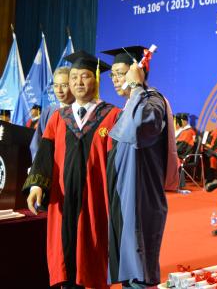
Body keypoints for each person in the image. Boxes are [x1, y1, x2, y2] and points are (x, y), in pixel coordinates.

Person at [23, 50, 119, 288]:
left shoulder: (112, 116)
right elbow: (44, 154)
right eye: (74, 77)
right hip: (63, 196)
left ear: (96, 80)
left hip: (96, 199)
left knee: (92, 251)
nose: (78, 82)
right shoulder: (59, 117)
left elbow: (120, 162)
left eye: (85, 76)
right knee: (64, 258)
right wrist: (36, 185)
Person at [102, 45, 180, 287]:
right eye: (113, 74)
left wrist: (137, 86)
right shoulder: (130, 103)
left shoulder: (151, 100)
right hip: (125, 192)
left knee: (139, 265)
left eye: (121, 73)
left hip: (140, 194)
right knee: (128, 262)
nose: (115, 79)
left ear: (137, 71)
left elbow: (139, 127)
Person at [29, 66, 75, 160]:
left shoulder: (81, 111)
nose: (59, 90)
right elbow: (37, 143)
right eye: (56, 85)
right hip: (49, 164)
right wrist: (40, 165)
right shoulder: (48, 112)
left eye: (64, 85)